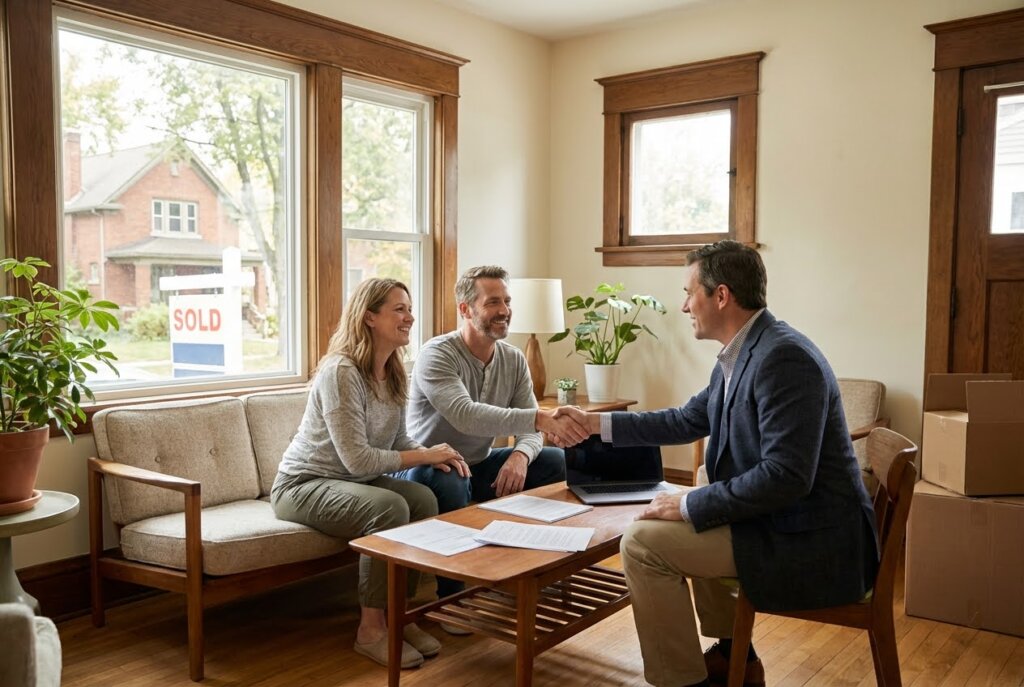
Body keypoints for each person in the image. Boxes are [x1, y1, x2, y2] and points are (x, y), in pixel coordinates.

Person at [556, 241, 878, 687]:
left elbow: (787, 476)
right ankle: (735, 659)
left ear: (721, 296)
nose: (684, 304)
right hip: (783, 522)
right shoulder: (744, 351)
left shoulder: (784, 359)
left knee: (642, 544)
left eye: (690, 292)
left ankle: (686, 680)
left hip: (814, 543)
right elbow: (686, 419)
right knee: (680, 521)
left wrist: (692, 503)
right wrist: (595, 424)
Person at [271, 278, 470, 670]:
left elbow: (398, 440)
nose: (410, 317)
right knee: (390, 508)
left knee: (423, 499)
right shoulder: (341, 372)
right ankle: (371, 629)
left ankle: (400, 615)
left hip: (349, 482)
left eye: (409, 309)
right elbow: (357, 460)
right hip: (302, 484)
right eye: (399, 309)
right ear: (369, 317)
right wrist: (424, 455)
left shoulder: (395, 371)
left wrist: (432, 457)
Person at [395, 265, 589, 600]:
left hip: (478, 462)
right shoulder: (437, 354)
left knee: (556, 461)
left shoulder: (512, 360)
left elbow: (529, 433)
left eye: (507, 301)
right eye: (493, 302)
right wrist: (540, 420)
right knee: (451, 479)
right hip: (427, 465)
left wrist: (519, 456)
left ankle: (528, 569)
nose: (504, 311)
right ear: (465, 309)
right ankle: (451, 595)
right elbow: (466, 416)